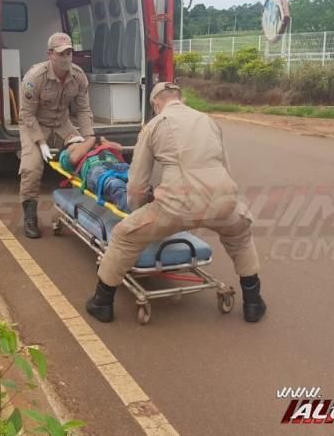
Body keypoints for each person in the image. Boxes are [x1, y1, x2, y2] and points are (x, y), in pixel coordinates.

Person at [86, 82, 267, 323]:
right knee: (240, 237)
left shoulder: (155, 125)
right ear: (181, 99)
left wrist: (137, 211)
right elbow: (224, 166)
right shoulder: (208, 121)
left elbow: (137, 183)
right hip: (222, 200)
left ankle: (102, 302)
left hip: (176, 206)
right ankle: (253, 303)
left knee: (123, 236)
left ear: (155, 104)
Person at [19, 32, 94, 239]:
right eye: (61, 54)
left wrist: (88, 139)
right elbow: (26, 114)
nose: (66, 58)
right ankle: (30, 216)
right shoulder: (34, 79)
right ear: (50, 54)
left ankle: (83, 210)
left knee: (85, 159)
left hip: (62, 123)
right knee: (32, 167)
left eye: (69, 53)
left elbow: (83, 110)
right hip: (35, 124)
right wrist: (41, 142)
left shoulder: (78, 76)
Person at [58, 135, 129, 212]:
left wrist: (102, 140)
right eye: (69, 137)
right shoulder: (66, 153)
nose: (72, 134)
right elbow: (72, 160)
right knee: (115, 184)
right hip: (95, 169)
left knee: (140, 179)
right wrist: (91, 140)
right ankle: (131, 208)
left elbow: (119, 148)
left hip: (116, 165)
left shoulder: (98, 144)